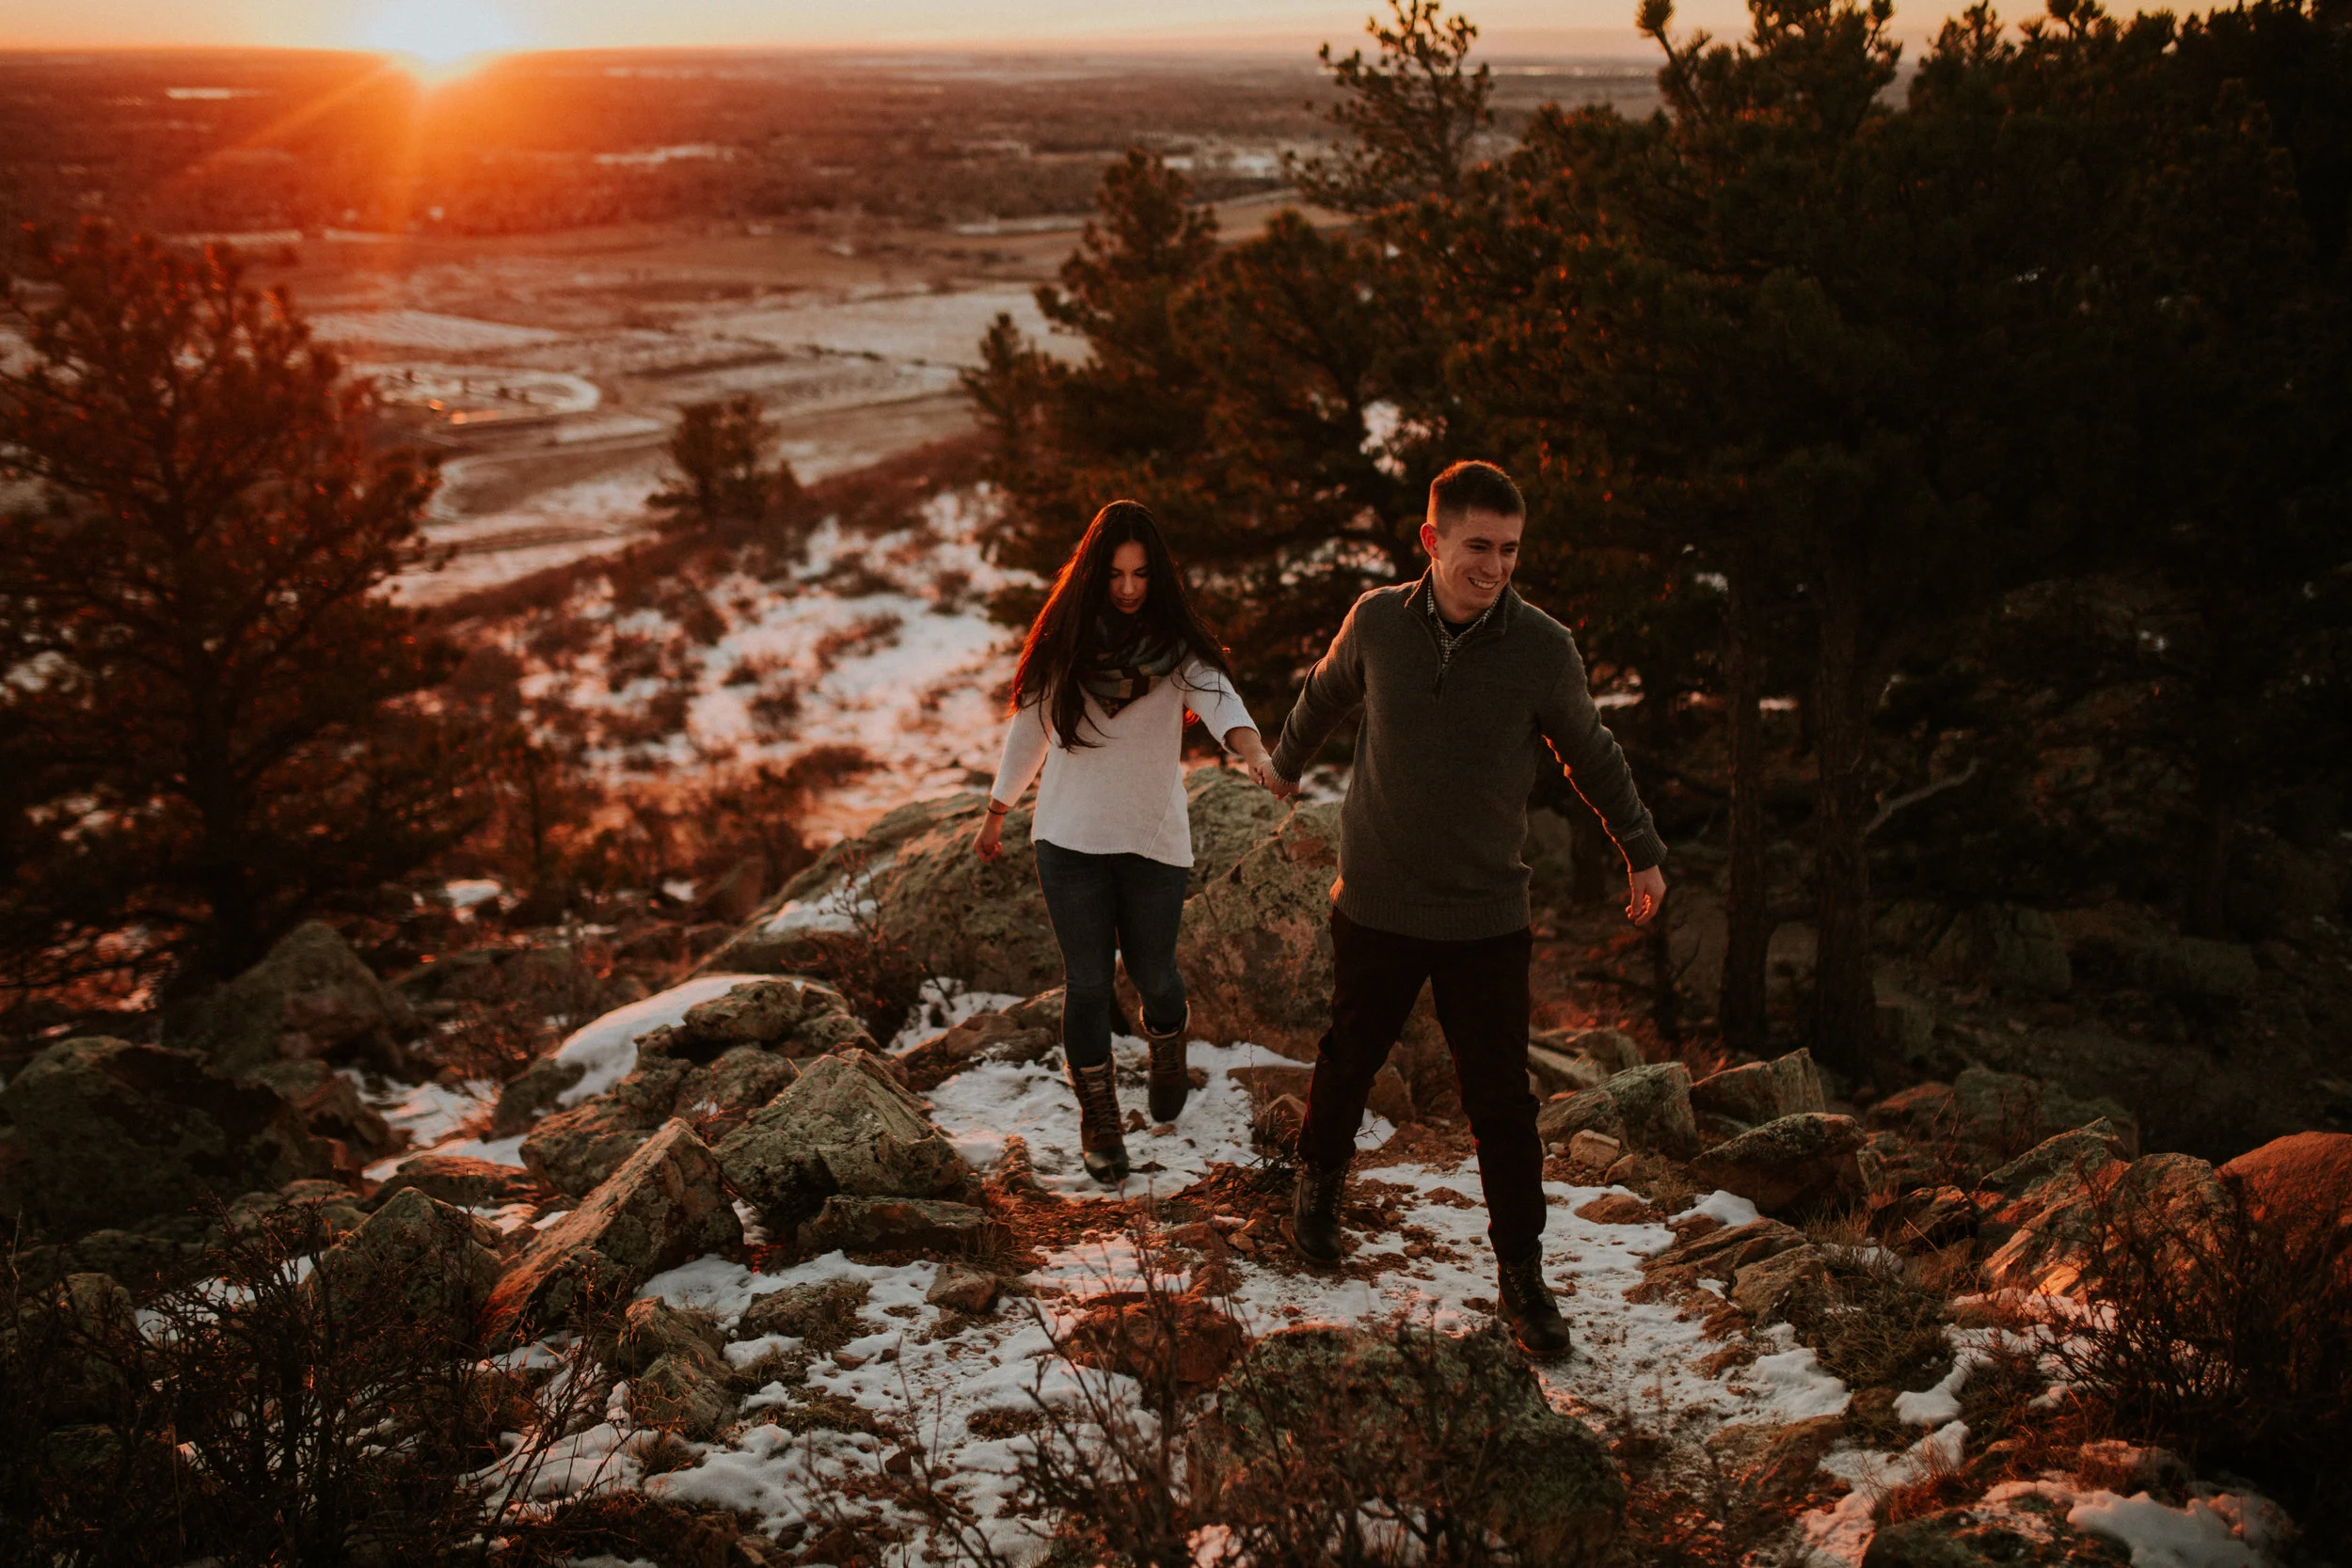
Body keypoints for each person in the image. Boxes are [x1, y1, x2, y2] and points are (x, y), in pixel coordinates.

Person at [1261, 459, 1667, 1358]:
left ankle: (1521, 1273)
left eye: (1510, 550)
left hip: (1486, 912)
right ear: (1432, 540)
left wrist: (1641, 849)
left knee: (1502, 1104)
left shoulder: (1542, 648)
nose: (1494, 567)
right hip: (1376, 896)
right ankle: (1319, 1184)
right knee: (1350, 1057)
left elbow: (1591, 753)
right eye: (1478, 546)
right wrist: (1287, 763)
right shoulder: (1375, 621)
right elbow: (1324, 692)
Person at [977, 499, 1279, 1185]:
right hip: (1069, 839)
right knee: (1085, 983)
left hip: (1151, 840)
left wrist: (1256, 753)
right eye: (1115, 573)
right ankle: (1101, 1120)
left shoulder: (1177, 648)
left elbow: (1225, 704)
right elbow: (1028, 733)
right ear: (1094, 572)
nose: (1129, 588)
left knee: (1156, 978)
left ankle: (1167, 1042)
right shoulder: (1064, 643)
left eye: (1142, 573)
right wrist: (997, 810)